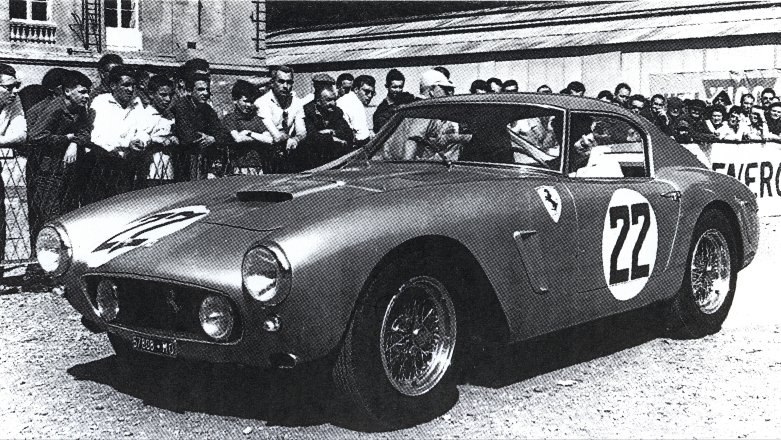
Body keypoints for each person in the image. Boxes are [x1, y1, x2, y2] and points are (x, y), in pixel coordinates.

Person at [27, 70, 91, 249]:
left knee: (67, 215)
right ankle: (48, 257)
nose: (86, 96)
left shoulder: (79, 108)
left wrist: (74, 143)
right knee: (51, 218)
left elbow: (85, 131)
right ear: (68, 91)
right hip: (46, 170)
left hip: (66, 170)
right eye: (82, 92)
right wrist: (65, 139)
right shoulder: (55, 108)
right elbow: (36, 136)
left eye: (88, 92)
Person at [88, 65, 151, 202]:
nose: (130, 89)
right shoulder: (101, 102)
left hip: (128, 165)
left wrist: (140, 141)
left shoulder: (136, 103)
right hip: (104, 165)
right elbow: (97, 135)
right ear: (113, 85)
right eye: (126, 85)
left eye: (133, 85)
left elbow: (144, 129)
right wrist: (127, 143)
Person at [398, 69, 471, 160]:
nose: (447, 93)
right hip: (417, 166)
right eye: (444, 89)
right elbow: (413, 140)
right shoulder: (425, 111)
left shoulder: (411, 108)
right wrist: (406, 165)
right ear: (432, 90)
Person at [171, 72, 231, 180]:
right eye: (200, 89)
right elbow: (187, 136)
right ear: (190, 91)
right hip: (184, 163)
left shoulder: (208, 109)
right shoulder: (181, 107)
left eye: (207, 89)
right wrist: (206, 136)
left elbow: (224, 133)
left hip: (202, 164)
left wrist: (213, 138)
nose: (205, 93)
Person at [255, 65, 306, 172]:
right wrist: (289, 138)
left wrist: (296, 139)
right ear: (272, 83)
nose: (285, 86)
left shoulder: (296, 102)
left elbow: (302, 131)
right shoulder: (262, 103)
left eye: (289, 82)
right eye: (281, 82)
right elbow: (276, 137)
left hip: (287, 154)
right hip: (265, 157)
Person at [0, 64, 25, 288]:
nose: (15, 91)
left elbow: (19, 134)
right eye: (9, 87)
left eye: (17, 86)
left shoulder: (13, 101)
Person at [222, 79, 271, 175]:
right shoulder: (230, 118)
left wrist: (249, 133)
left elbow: (269, 139)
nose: (249, 105)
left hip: (257, 167)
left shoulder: (256, 119)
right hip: (237, 168)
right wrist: (259, 138)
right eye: (245, 101)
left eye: (251, 101)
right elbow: (238, 138)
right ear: (235, 100)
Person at [138, 75, 179, 187]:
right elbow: (140, 137)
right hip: (150, 171)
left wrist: (173, 139)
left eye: (170, 95)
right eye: (163, 95)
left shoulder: (170, 116)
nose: (168, 99)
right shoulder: (145, 115)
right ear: (151, 94)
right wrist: (158, 140)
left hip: (167, 171)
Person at [302, 83, 354, 169]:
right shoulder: (307, 112)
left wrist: (330, 132)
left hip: (333, 159)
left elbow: (349, 133)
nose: (333, 103)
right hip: (312, 162)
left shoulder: (337, 112)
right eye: (329, 100)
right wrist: (333, 139)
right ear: (318, 101)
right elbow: (311, 137)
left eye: (334, 100)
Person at [337, 74, 375, 146]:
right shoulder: (355, 104)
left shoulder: (346, 98)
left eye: (372, 93)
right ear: (356, 89)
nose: (370, 96)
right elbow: (362, 137)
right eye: (366, 91)